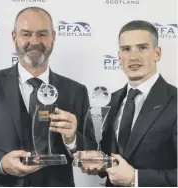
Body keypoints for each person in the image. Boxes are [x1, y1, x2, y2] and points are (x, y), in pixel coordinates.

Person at [0, 7, 96, 187]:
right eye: (26, 34)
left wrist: (72, 140)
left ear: (54, 36)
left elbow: (92, 150)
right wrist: (1, 163)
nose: (34, 41)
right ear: (14, 37)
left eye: (42, 34)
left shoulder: (76, 91)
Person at [74, 20, 177, 187]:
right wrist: (98, 161)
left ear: (157, 53)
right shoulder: (111, 101)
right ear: (119, 57)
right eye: (126, 49)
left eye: (142, 48)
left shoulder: (175, 101)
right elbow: (108, 161)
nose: (133, 56)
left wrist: (135, 178)